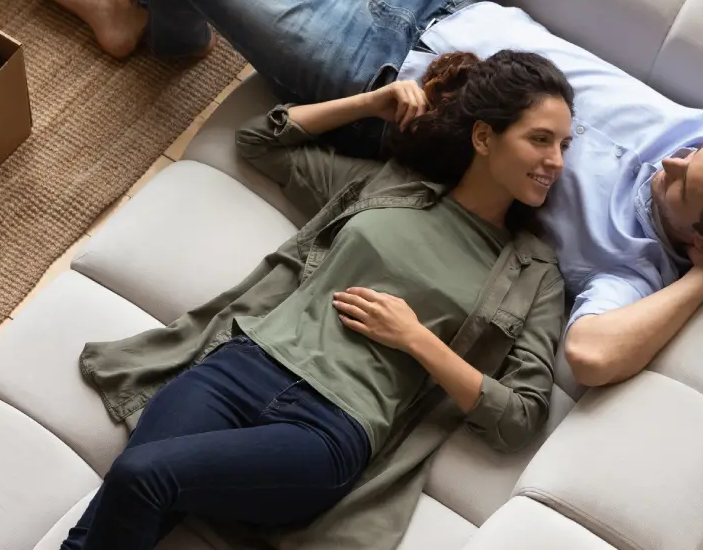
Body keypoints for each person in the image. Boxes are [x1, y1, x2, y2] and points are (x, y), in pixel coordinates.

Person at [35, 0, 703, 389]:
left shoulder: (627, 272)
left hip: (371, 76)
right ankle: (147, 12)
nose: (673, 157)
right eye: (690, 152)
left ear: (697, 239)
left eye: (680, 185)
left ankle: (151, 12)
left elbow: (589, 358)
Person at [66, 51, 573, 548]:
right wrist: (369, 103)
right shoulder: (389, 184)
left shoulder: (534, 274)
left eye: (564, 146)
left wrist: (418, 340)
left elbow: (521, 417)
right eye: (540, 140)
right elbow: (261, 141)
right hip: (241, 366)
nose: (556, 162)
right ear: (484, 136)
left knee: (139, 475)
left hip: (331, 427)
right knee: (106, 523)